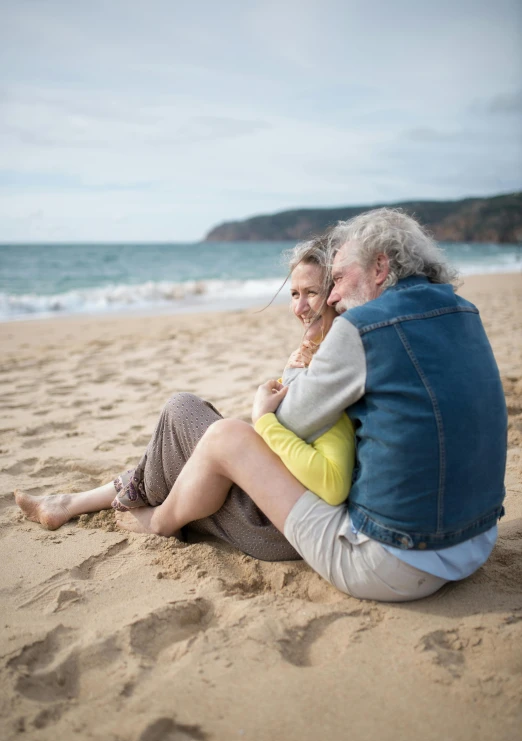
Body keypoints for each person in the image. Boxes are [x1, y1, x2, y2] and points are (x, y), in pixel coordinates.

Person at [110, 208, 507, 602]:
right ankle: (119, 492)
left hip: (394, 562)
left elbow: (288, 419)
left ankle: (157, 519)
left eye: (337, 279)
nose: (333, 295)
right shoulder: (465, 312)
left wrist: (264, 409)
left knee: (226, 435)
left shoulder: (363, 327)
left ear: (380, 267)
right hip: (473, 542)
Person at [14, 237, 354, 561]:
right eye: (294, 293)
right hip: (266, 500)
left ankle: (141, 512)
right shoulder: (316, 353)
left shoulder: (332, 371)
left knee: (182, 413)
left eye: (312, 292)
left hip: (273, 523)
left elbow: (330, 479)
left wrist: (264, 419)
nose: (299, 306)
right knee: (183, 438)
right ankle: (68, 503)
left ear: (335, 295)